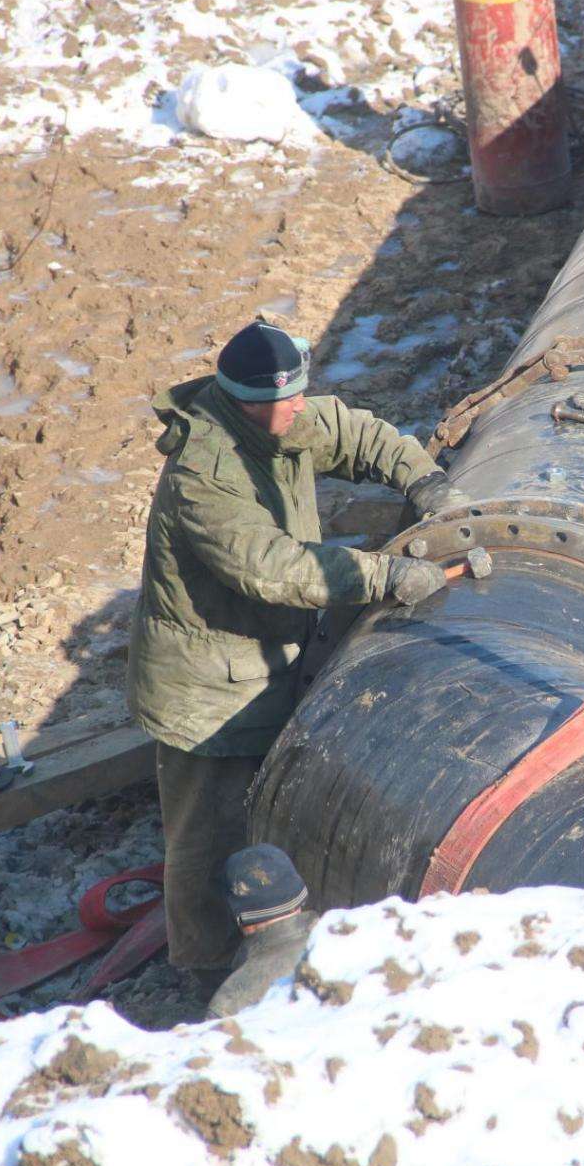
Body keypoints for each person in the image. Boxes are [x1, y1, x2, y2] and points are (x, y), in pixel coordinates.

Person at [126, 319, 469, 994]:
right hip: (209, 691)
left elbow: (354, 433)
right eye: (286, 402)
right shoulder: (206, 471)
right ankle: (201, 972)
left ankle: (268, 925)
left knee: (261, 810)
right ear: (247, 401)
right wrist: (382, 575)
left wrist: (423, 481)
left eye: (300, 397)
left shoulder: (277, 417)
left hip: (266, 660)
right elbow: (269, 567)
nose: (300, 411)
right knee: (204, 839)